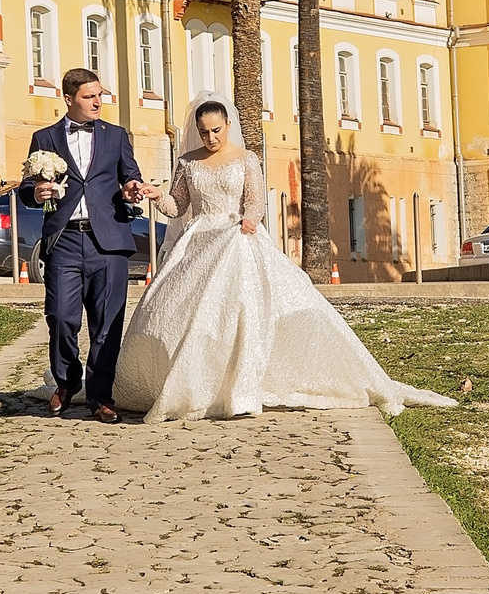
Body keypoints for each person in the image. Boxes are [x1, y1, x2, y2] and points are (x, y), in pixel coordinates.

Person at [112, 99, 456, 422]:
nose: (211, 137)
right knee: (191, 317)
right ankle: (197, 385)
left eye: (216, 130)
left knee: (244, 312)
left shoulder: (246, 159)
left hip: (237, 240)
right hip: (199, 244)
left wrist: (249, 219)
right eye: (204, 132)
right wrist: (157, 196)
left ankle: (241, 391)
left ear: (228, 124)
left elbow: (255, 201)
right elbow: (178, 207)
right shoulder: (188, 162)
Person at [24, 68, 146, 423]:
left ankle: (101, 397)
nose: (98, 101)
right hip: (63, 239)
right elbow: (26, 188)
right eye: (89, 96)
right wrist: (35, 192)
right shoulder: (43, 138)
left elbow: (130, 175)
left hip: (108, 241)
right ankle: (66, 381)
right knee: (61, 317)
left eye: (99, 95)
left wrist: (132, 189)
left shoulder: (117, 135)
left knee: (107, 323)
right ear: (68, 98)